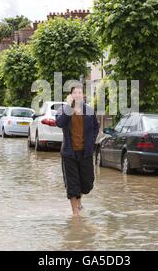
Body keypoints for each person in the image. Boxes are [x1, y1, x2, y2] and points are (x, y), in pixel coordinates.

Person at [56, 84, 100, 217]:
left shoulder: (89, 111)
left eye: (80, 92)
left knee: (87, 183)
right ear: (70, 95)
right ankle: (75, 212)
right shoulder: (64, 109)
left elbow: (96, 128)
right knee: (72, 184)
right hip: (69, 153)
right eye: (75, 93)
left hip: (85, 152)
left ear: (83, 95)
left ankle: (79, 203)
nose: (77, 95)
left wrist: (91, 142)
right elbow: (60, 123)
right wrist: (69, 107)